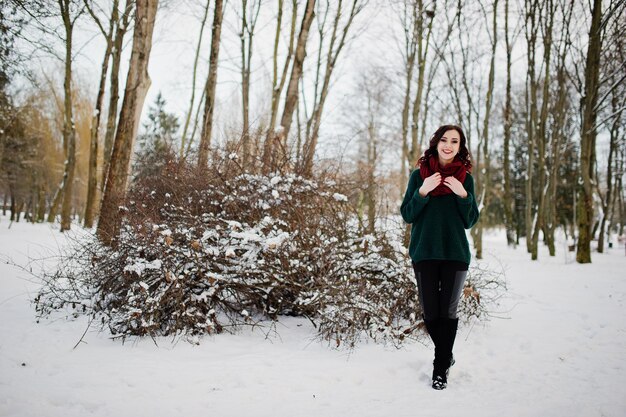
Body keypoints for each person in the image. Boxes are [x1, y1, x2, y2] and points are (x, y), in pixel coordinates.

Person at [400, 124, 479, 390]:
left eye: (454, 141)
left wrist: (463, 194)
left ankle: (440, 367)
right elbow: (407, 214)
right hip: (424, 252)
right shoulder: (418, 176)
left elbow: (470, 221)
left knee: (448, 311)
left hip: (455, 253)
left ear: (460, 147)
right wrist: (423, 192)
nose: (448, 145)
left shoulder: (465, 178)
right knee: (432, 312)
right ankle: (447, 354)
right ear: (436, 143)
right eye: (444, 140)